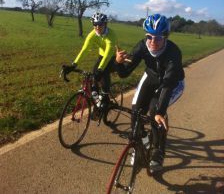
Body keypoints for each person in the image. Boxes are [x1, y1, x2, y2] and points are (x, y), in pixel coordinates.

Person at [115, 13, 185, 173]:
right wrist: (118, 63)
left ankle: (158, 151)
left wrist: (160, 111)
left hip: (173, 82)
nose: (153, 42)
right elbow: (124, 73)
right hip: (152, 76)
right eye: (149, 36)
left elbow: (167, 85)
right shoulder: (141, 46)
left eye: (159, 37)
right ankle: (141, 144)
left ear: (166, 37)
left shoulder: (174, 53)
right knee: (136, 111)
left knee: (154, 111)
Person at [62, 12, 118, 119]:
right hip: (102, 57)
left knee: (103, 77)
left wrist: (101, 69)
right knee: (93, 81)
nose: (97, 27)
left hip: (112, 58)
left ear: (105, 24)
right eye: (95, 24)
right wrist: (73, 65)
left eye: (100, 24)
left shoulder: (111, 35)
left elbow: (108, 54)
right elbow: (84, 50)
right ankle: (97, 106)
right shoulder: (92, 34)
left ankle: (106, 98)